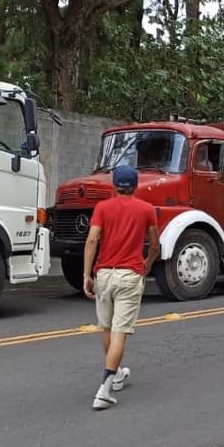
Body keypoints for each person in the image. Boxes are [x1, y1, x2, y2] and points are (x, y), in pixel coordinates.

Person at [82, 163, 159, 411]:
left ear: (114, 185)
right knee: (120, 332)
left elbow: (93, 238)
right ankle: (104, 389)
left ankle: (115, 376)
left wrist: (87, 273)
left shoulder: (102, 208)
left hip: (104, 274)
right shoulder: (146, 209)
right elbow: (155, 244)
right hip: (130, 275)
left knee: (107, 327)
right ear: (136, 186)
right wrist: (146, 264)